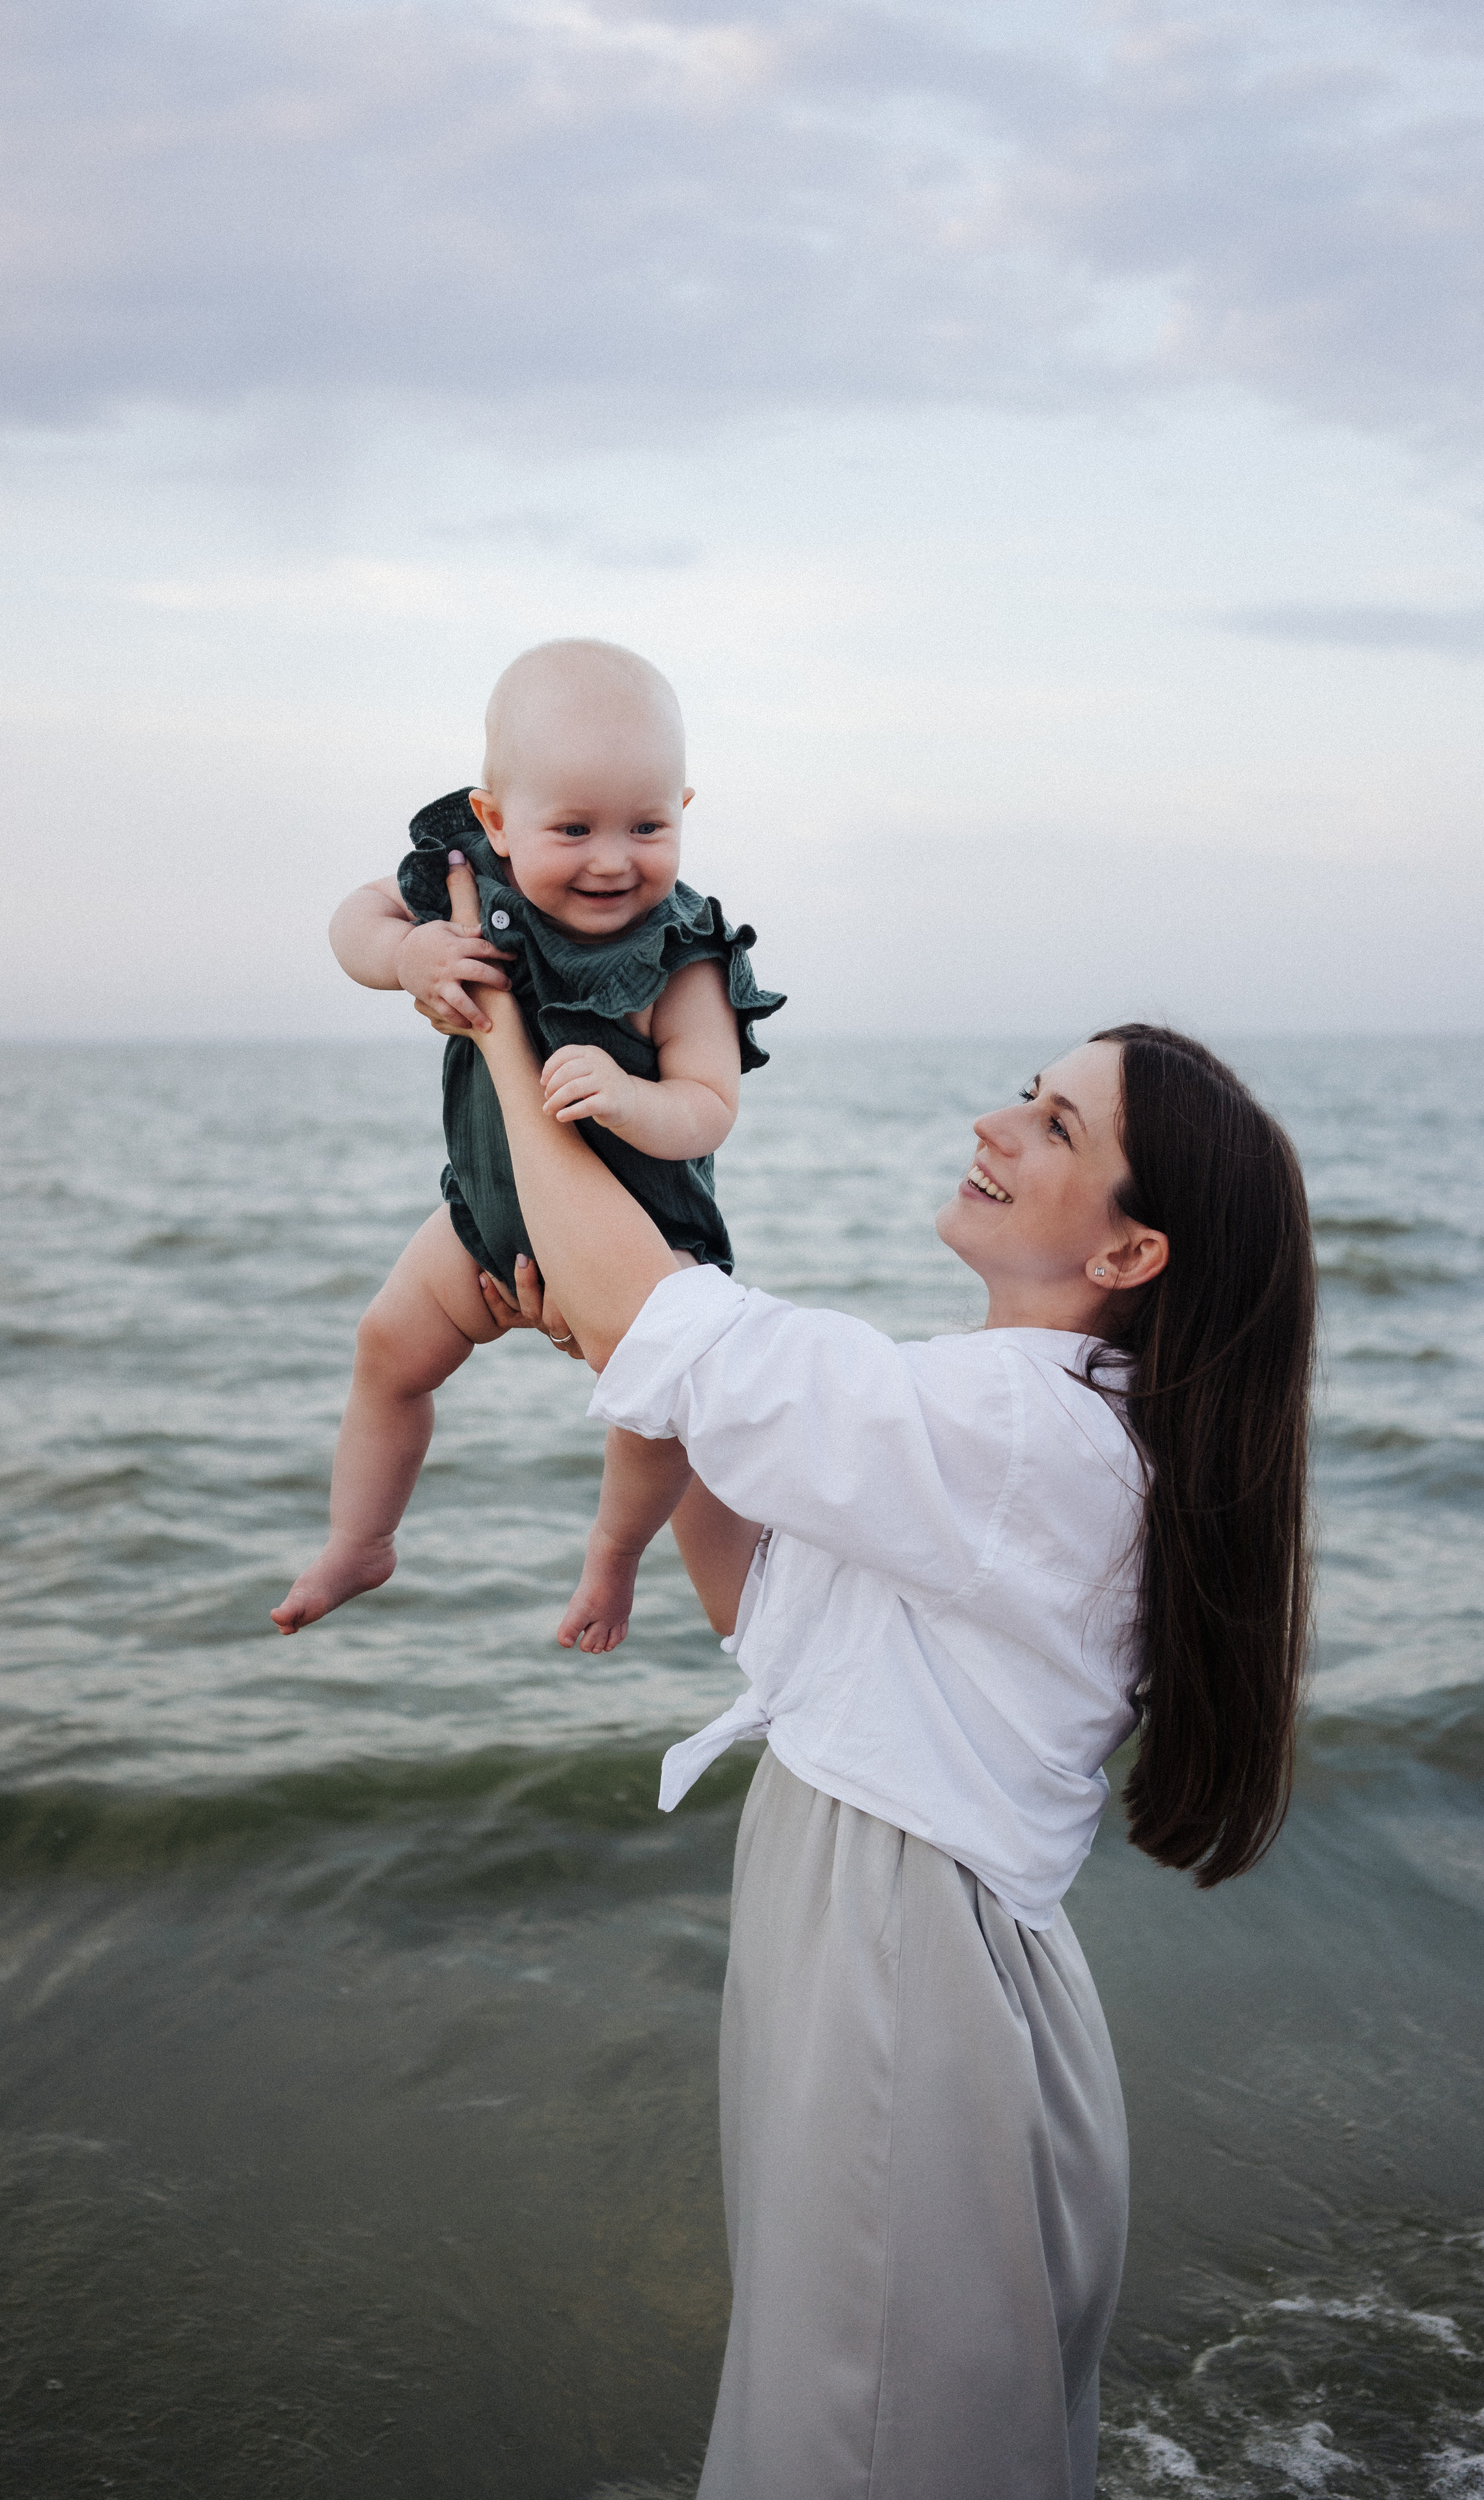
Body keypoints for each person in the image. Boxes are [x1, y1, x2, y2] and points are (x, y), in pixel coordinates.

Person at [451, 917, 1315, 2500]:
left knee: (849, 2447)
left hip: (910, 1969)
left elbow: (675, 1328)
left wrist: (501, 1040)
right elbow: (762, 1608)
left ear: (1128, 1255)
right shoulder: (1029, 1426)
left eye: (1055, 1125)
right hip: (914, 1951)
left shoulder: (1020, 1434)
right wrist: (628, 1337)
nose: (993, 1124)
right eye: (1022, 1092)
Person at [271, 639, 783, 1650]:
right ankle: (361, 1539)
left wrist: (632, 1098)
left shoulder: (683, 954)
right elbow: (352, 919)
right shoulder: (471, 891)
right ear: (498, 821)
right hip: (485, 1217)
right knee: (387, 1348)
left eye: (647, 825)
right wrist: (404, 953)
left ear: (684, 809)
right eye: (573, 828)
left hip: (645, 1242)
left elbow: (709, 1105)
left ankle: (613, 1554)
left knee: (655, 1419)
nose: (611, 858)